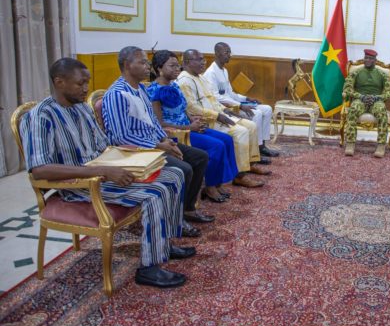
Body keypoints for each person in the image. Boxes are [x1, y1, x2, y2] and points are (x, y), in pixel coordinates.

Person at [21, 58, 194, 288]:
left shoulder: (82, 108)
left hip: (102, 173)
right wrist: (103, 170)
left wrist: (137, 159)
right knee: (155, 193)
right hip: (78, 185)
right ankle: (149, 269)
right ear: (59, 82)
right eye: (80, 84)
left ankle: (163, 244)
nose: (86, 89)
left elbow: (104, 146)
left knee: (174, 175)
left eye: (87, 82)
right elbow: (40, 169)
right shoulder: (40, 116)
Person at [102, 46, 213, 239]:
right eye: (142, 62)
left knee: (200, 157)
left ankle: (187, 209)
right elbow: (120, 137)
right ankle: (175, 220)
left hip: (155, 144)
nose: (148, 66)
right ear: (127, 65)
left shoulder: (140, 89)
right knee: (184, 169)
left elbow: (153, 121)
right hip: (136, 152)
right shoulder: (117, 94)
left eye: (147, 62)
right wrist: (158, 146)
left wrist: (165, 140)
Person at [148, 50, 245, 202]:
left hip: (189, 126)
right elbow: (159, 123)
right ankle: (210, 187)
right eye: (172, 66)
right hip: (176, 133)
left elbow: (184, 108)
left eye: (178, 66)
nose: (177, 69)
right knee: (216, 146)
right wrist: (189, 128)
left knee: (227, 139)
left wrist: (192, 119)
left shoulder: (174, 85)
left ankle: (218, 182)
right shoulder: (154, 91)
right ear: (159, 68)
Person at [176, 49, 270, 186]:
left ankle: (249, 165)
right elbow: (192, 108)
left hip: (219, 114)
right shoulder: (184, 81)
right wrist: (218, 115)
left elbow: (214, 100)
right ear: (187, 62)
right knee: (241, 132)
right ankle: (239, 175)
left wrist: (227, 110)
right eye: (199, 60)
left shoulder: (200, 77)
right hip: (206, 120)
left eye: (203, 59)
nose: (203, 62)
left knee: (251, 126)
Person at [204, 42, 279, 158]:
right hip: (226, 108)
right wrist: (240, 105)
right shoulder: (211, 73)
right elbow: (216, 98)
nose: (229, 55)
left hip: (235, 103)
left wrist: (246, 98)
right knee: (256, 113)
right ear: (217, 53)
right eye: (226, 52)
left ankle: (262, 146)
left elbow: (230, 93)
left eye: (230, 52)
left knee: (267, 109)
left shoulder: (224, 70)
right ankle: (255, 151)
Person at [342, 49, 390, 158]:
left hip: (376, 101)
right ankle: (350, 143)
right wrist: (360, 96)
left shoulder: (382, 74)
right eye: (366, 58)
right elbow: (347, 89)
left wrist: (377, 97)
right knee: (353, 109)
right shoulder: (356, 73)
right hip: (360, 100)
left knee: (381, 111)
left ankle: (381, 145)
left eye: (370, 58)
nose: (367, 60)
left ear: (375, 60)